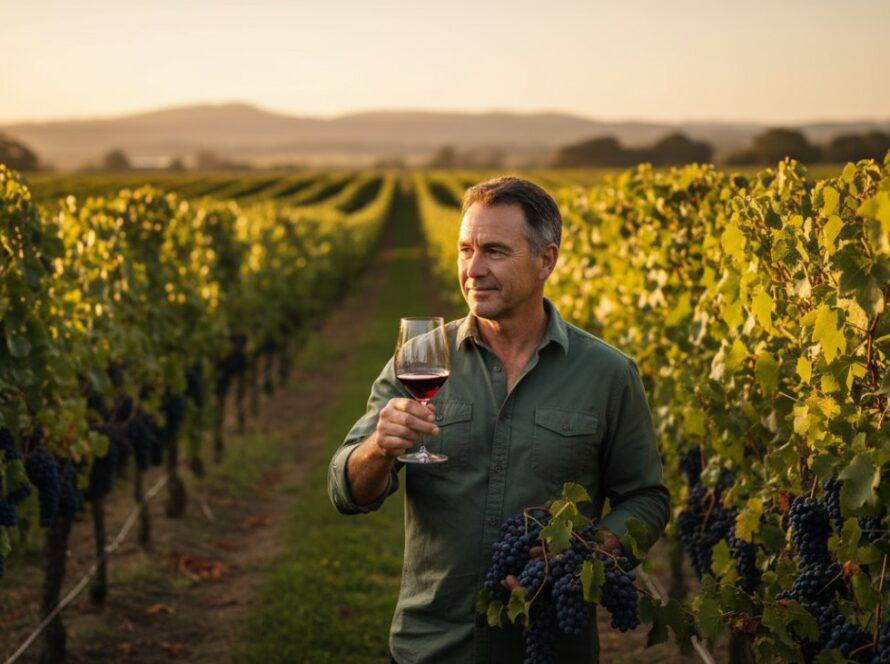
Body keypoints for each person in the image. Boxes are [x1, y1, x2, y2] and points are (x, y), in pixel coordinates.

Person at [327, 176, 671, 663]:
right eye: (465, 250)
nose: (473, 269)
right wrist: (378, 449)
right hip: (432, 648)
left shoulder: (608, 374)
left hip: (550, 648)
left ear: (546, 260)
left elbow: (646, 498)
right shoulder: (418, 359)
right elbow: (346, 490)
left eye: (494, 251)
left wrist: (583, 554)